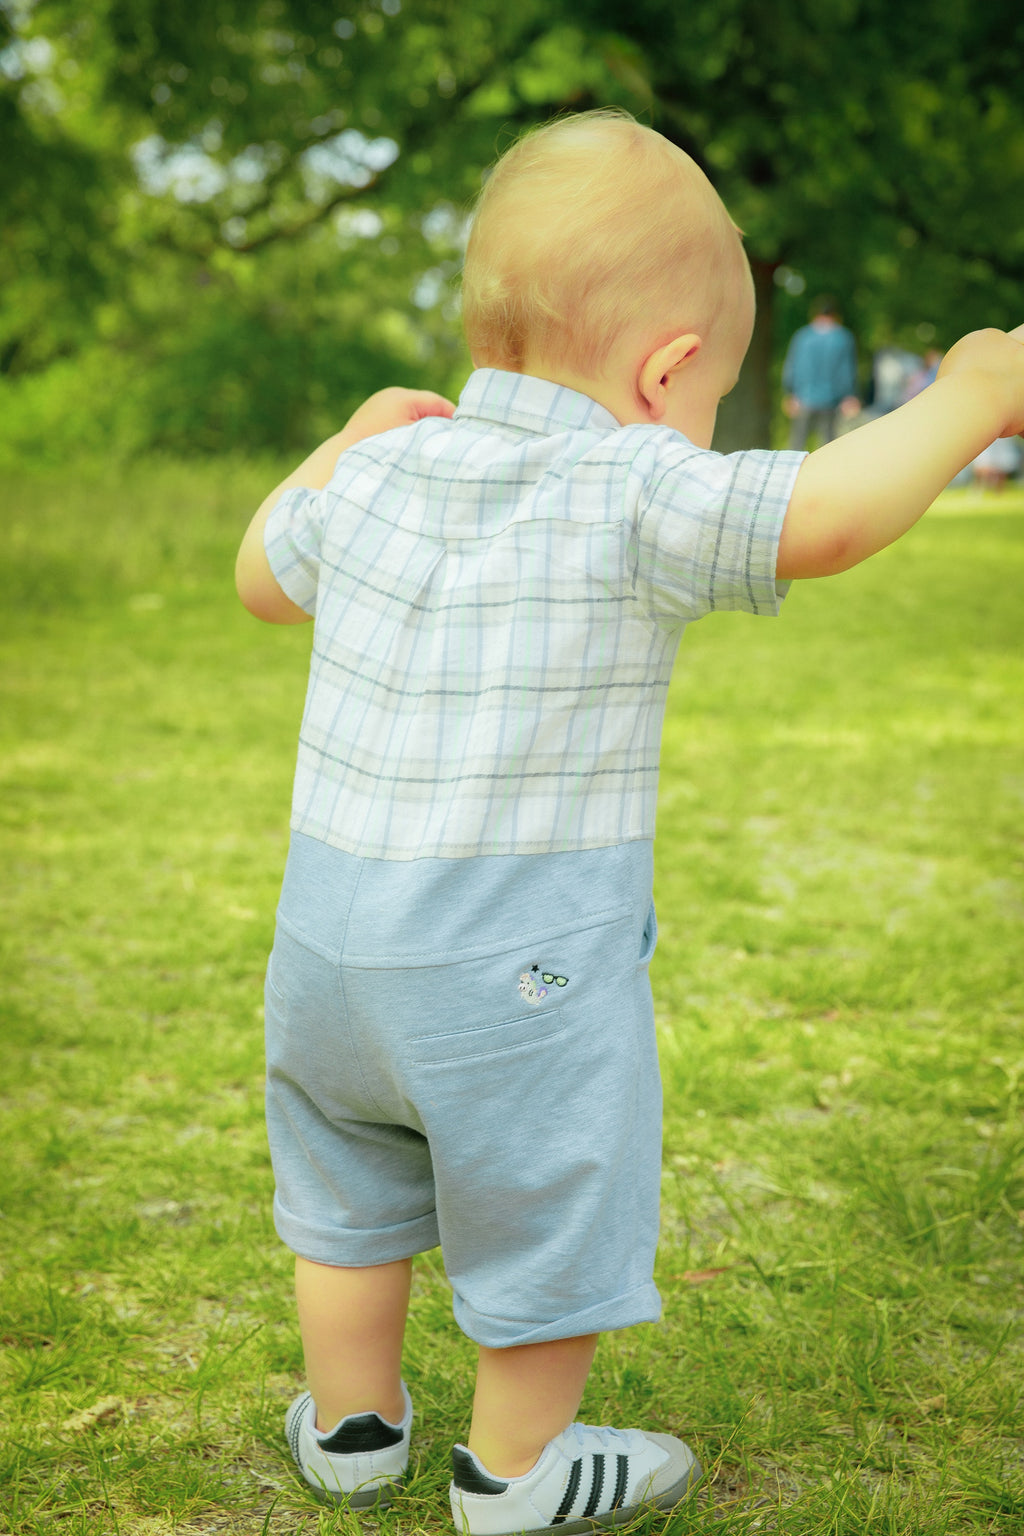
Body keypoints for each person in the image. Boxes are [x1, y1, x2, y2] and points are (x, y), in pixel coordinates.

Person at [235, 109, 1024, 1534]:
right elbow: (827, 516)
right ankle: (519, 1472)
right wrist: (972, 395)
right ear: (668, 371)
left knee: (346, 1191)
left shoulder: (388, 469)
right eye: (714, 387)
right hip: (511, 972)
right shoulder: (630, 477)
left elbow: (257, 577)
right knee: (542, 1187)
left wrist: (341, 441)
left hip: (327, 955)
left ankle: (353, 1429)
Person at [782, 297, 860, 447]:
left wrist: (790, 393)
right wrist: (849, 395)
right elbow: (846, 372)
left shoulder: (802, 336)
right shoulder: (843, 337)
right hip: (831, 402)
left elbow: (791, 366)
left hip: (803, 399)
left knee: (796, 446)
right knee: (828, 448)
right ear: (836, 315)